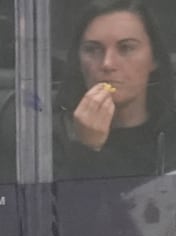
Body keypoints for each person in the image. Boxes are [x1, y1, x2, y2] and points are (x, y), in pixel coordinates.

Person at [56, 0, 176, 180]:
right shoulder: (49, 136)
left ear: (155, 59)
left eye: (126, 48)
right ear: (78, 61)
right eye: (92, 49)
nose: (107, 64)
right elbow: (57, 206)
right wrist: (86, 149)